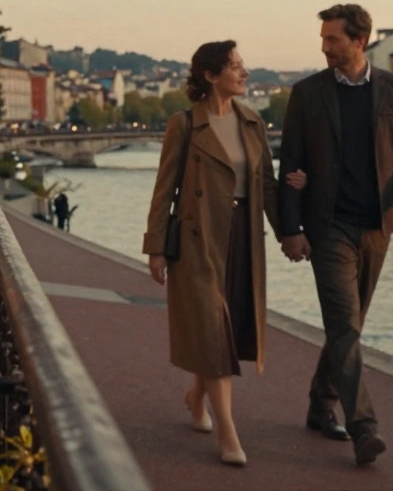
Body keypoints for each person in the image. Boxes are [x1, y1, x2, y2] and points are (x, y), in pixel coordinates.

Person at [278, 4, 393, 466]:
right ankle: (365, 428)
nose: (324, 47)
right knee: (345, 325)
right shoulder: (308, 94)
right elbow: (290, 164)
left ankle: (320, 404)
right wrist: (291, 229)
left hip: (377, 226)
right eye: (323, 39)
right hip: (328, 227)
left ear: (359, 41)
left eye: (333, 39)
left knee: (349, 326)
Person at [143, 41, 283, 467]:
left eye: (242, 65)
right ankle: (227, 432)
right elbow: (164, 189)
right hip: (198, 239)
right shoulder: (185, 124)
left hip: (243, 236)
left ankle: (196, 396)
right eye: (235, 66)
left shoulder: (252, 122)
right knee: (212, 327)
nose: (244, 73)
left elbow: (267, 186)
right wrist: (155, 248)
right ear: (210, 75)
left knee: (222, 330)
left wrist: (290, 235)